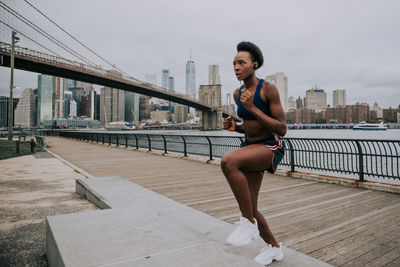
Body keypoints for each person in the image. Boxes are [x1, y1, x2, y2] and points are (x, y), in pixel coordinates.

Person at [222, 41, 287, 266]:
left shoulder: (268, 89)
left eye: (242, 63)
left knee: (229, 162)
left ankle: (246, 223)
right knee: (252, 205)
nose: (236, 67)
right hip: (250, 147)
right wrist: (235, 127)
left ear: (255, 64)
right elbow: (250, 127)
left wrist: (252, 108)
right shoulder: (236, 93)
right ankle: (274, 248)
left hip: (271, 147)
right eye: (234, 64)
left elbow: (282, 129)